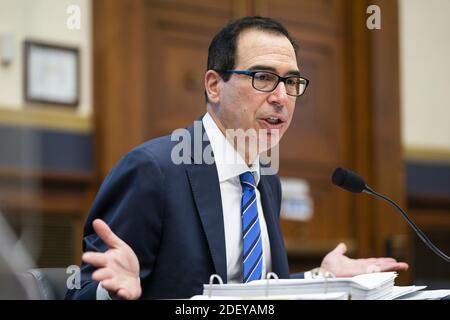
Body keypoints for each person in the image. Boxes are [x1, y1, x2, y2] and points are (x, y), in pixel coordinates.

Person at [66, 16, 408, 300]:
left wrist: (324, 277)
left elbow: (253, 294)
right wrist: (107, 294)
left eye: (291, 82)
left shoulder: (265, 180)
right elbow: (79, 292)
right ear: (214, 86)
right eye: (263, 77)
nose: (280, 98)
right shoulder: (154, 170)